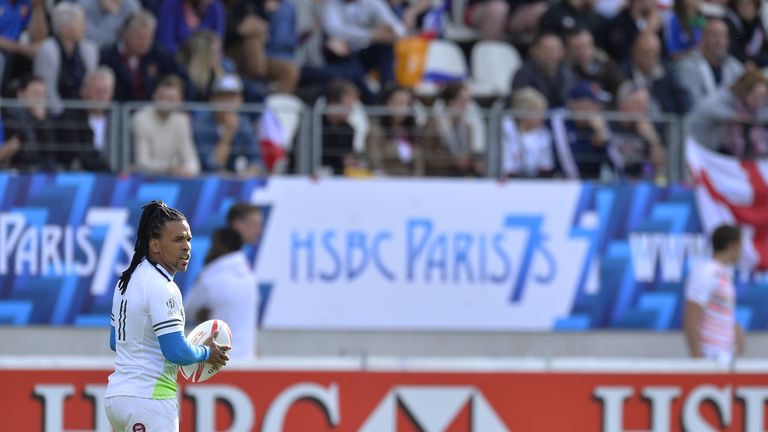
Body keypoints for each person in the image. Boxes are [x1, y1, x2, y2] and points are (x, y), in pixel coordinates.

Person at [105, 200, 229, 431]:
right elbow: (175, 351)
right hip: (150, 400)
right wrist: (206, 352)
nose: (186, 247)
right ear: (154, 246)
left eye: (188, 239)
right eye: (177, 240)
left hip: (117, 399)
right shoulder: (163, 287)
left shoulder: (126, 282)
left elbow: (116, 343)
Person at [185, 227, 258, 360]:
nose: (210, 250)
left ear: (222, 247)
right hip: (247, 358)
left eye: (213, 245)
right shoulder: (250, 279)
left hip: (218, 361)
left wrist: (200, 314)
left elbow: (187, 312)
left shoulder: (209, 279)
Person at [684, 224, 745, 365]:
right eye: (742, 244)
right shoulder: (706, 272)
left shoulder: (723, 273)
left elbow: (717, 310)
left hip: (724, 357)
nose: (743, 251)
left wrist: (734, 327)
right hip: (710, 357)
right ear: (732, 245)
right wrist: (697, 357)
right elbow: (691, 313)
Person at [100, 10, 186, 102]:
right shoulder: (108, 56)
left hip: (153, 113)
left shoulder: (158, 53)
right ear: (125, 34)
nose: (144, 43)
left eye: (148, 38)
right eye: (140, 37)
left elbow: (184, 79)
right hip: (119, 112)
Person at [33, 2, 98, 115]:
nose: (84, 27)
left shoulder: (90, 50)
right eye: (80, 23)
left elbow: (90, 85)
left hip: (83, 113)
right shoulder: (47, 49)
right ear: (64, 28)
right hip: (54, 114)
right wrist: (62, 113)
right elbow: (47, 89)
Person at [192, 74, 265, 175]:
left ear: (241, 100)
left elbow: (256, 160)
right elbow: (211, 165)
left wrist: (249, 172)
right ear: (213, 100)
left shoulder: (244, 123)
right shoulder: (202, 123)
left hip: (236, 181)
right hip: (207, 182)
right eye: (222, 97)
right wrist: (228, 135)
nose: (227, 103)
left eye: (232, 98)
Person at [687, 69, 768, 158]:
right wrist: (734, 116)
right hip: (708, 149)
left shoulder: (757, 108)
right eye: (756, 96)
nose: (760, 102)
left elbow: (761, 115)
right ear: (745, 92)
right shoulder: (726, 97)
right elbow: (705, 108)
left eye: (763, 97)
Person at [132, 74, 201, 176]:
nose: (166, 103)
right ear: (154, 95)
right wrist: (171, 168)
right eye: (162, 98)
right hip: (145, 178)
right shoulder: (141, 118)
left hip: (172, 176)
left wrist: (188, 170)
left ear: (179, 100)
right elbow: (142, 162)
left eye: (171, 99)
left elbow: (192, 159)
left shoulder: (182, 121)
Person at [55, 67, 114, 172]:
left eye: (105, 92)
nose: (101, 97)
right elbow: (74, 154)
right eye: (97, 91)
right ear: (84, 91)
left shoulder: (117, 119)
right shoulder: (70, 118)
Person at [675, 19, 744, 105]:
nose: (719, 41)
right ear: (703, 38)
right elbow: (694, 105)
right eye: (715, 35)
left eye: (724, 36)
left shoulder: (735, 67)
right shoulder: (687, 66)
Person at [622, 31, 692, 114]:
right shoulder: (623, 73)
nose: (648, 57)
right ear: (635, 51)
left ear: (658, 53)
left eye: (652, 53)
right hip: (635, 123)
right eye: (644, 52)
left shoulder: (667, 72)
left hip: (668, 123)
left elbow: (684, 102)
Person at [2, 75, 59, 170]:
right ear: (20, 95)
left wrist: (42, 121)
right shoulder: (10, 114)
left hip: (42, 167)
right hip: (20, 168)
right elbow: (25, 153)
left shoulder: (46, 117)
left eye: (42, 94)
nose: (39, 98)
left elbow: (52, 152)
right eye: (35, 93)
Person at [366, 85, 426, 176]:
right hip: (388, 183)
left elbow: (419, 164)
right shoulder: (376, 131)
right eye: (397, 102)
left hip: (412, 184)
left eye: (406, 103)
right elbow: (376, 163)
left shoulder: (412, 131)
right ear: (387, 104)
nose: (401, 107)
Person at [501, 87, 555, 178]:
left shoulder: (544, 134)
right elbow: (507, 168)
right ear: (524, 113)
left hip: (536, 181)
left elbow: (546, 167)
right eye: (538, 113)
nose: (543, 117)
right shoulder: (505, 129)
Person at [511, 33, 575, 109]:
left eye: (555, 50)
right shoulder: (523, 73)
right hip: (534, 117)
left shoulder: (568, 72)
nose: (551, 55)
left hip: (564, 116)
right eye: (546, 50)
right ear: (534, 51)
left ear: (562, 52)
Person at [155, 0, 226, 53]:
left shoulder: (215, 8)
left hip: (205, 62)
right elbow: (165, 42)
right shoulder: (170, 5)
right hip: (175, 61)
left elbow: (217, 42)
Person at [724, 0, 768, 68]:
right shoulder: (731, 23)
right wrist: (746, 61)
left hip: (757, 65)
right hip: (738, 66)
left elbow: (765, 51)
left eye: (749, 4)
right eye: (741, 5)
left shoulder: (758, 24)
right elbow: (733, 50)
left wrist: (755, 62)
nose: (745, 8)